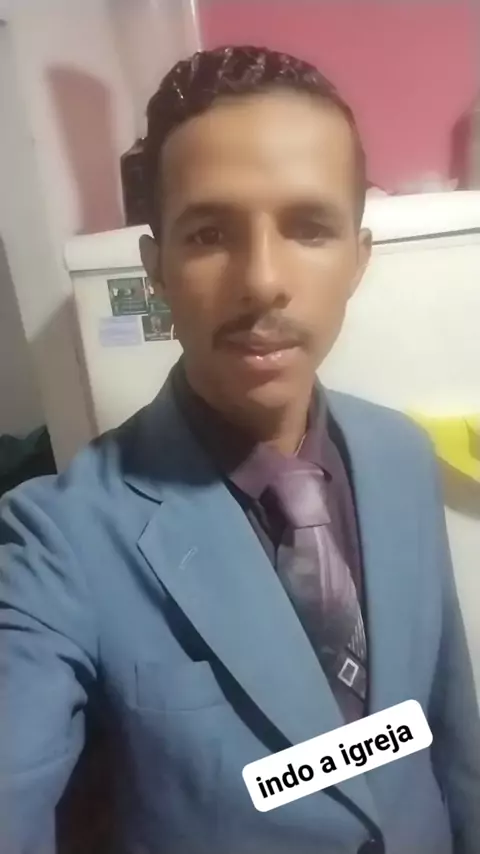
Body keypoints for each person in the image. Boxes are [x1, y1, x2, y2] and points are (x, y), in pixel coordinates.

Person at [1, 45, 479, 854]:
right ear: (156, 269)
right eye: (209, 233)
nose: (260, 281)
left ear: (358, 260)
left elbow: (449, 722)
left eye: (309, 227)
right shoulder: (59, 536)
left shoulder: (398, 454)